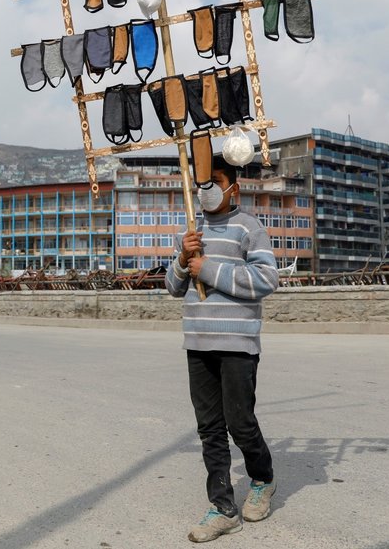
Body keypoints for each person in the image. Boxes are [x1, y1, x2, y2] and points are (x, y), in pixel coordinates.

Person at [165, 156, 280, 543]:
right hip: (197, 342)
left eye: (214, 181)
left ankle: (262, 478)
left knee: (240, 422)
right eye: (202, 183)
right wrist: (183, 260)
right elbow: (172, 286)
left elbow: (266, 279)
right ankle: (223, 507)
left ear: (234, 186)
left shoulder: (249, 228)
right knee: (210, 429)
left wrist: (208, 269)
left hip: (237, 343)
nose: (207, 190)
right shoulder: (191, 231)